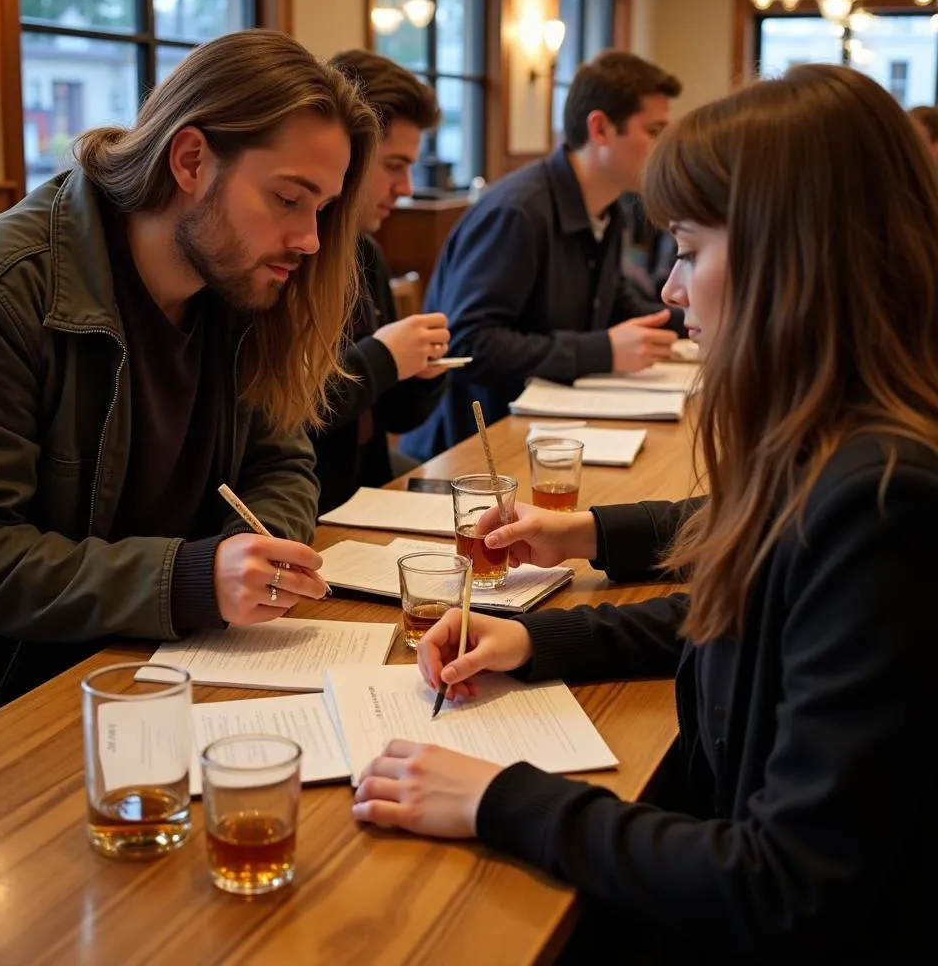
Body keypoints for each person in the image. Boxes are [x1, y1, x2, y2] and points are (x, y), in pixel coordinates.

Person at [352, 64, 938, 962]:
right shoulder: (832, 444)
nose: (670, 289)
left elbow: (785, 888)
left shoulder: (883, 501)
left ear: (796, 254)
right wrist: (539, 640)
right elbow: (751, 620)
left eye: (692, 251)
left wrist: (501, 797)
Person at [0, 30, 379, 752]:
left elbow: (281, 463)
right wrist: (188, 579)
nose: (311, 240)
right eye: (289, 198)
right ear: (190, 160)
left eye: (320, 208)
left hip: (186, 667)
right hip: (12, 701)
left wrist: (260, 554)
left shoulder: (241, 286)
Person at [401, 51, 686, 462]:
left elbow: (613, 301)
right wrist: (603, 350)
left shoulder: (607, 208)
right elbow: (468, 344)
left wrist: (699, 324)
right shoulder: (517, 212)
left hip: (550, 432)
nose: (665, 149)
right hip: (472, 451)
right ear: (601, 128)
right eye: (655, 131)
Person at [312, 50, 450, 514]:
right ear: (350, 156)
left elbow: (395, 415)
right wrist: (383, 357)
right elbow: (286, 414)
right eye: (394, 166)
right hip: (310, 508)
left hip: (365, 495)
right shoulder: (284, 255)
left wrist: (423, 372)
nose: (407, 186)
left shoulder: (365, 252)